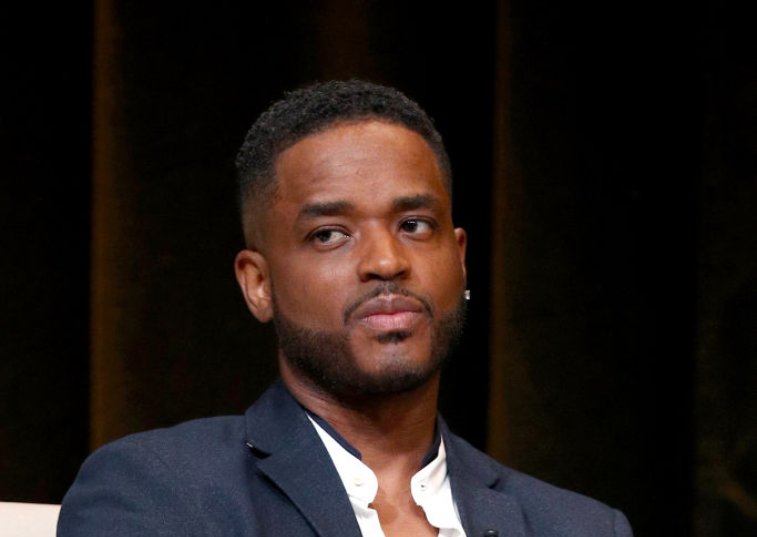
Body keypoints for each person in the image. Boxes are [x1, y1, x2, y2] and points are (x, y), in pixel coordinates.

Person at [58, 80, 633, 537]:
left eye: (414, 225)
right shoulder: (156, 493)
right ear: (259, 284)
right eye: (330, 234)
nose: (386, 261)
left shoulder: (579, 527)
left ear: (459, 260)